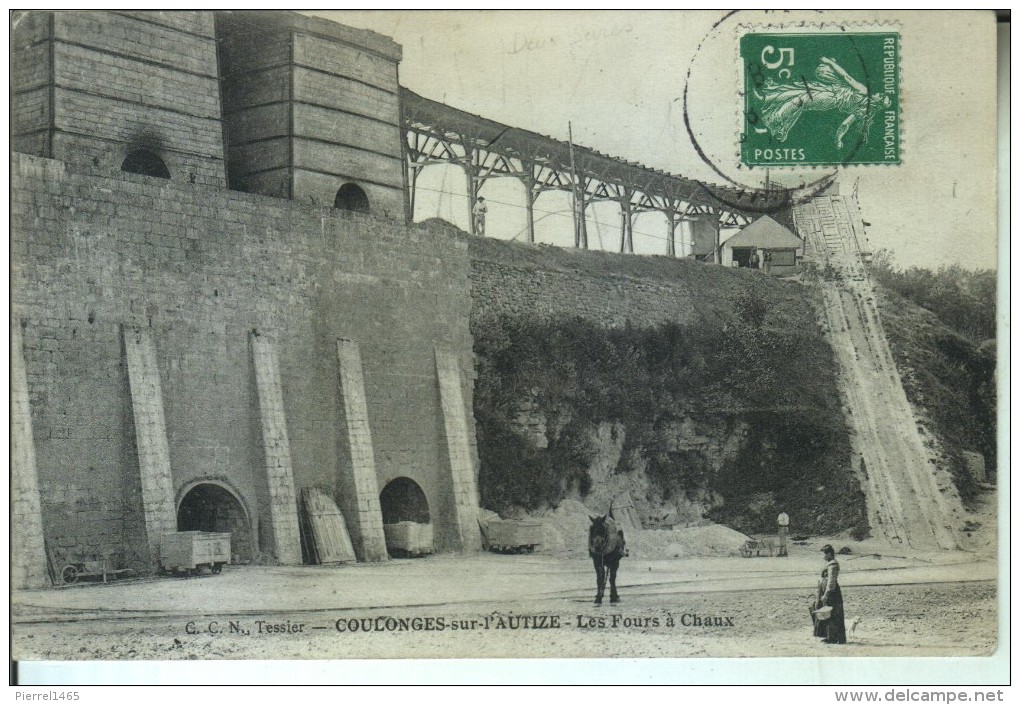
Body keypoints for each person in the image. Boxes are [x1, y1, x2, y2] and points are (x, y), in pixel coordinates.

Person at [755, 56, 893, 151]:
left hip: (830, 98)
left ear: (878, 103)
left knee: (801, 99)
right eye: (881, 94)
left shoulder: (864, 94)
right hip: (832, 89)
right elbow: (845, 125)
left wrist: (830, 63)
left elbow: (847, 78)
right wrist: (838, 140)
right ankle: (766, 98)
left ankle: (774, 119)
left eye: (880, 96)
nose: (878, 93)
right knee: (798, 90)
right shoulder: (865, 110)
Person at [813, 544, 847, 644]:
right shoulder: (829, 563)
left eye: (823, 554)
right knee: (827, 613)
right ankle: (829, 636)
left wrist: (826, 594)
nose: (822, 556)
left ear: (829, 554)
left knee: (832, 614)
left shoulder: (833, 564)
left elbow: (831, 581)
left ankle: (833, 638)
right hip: (826, 591)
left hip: (832, 593)